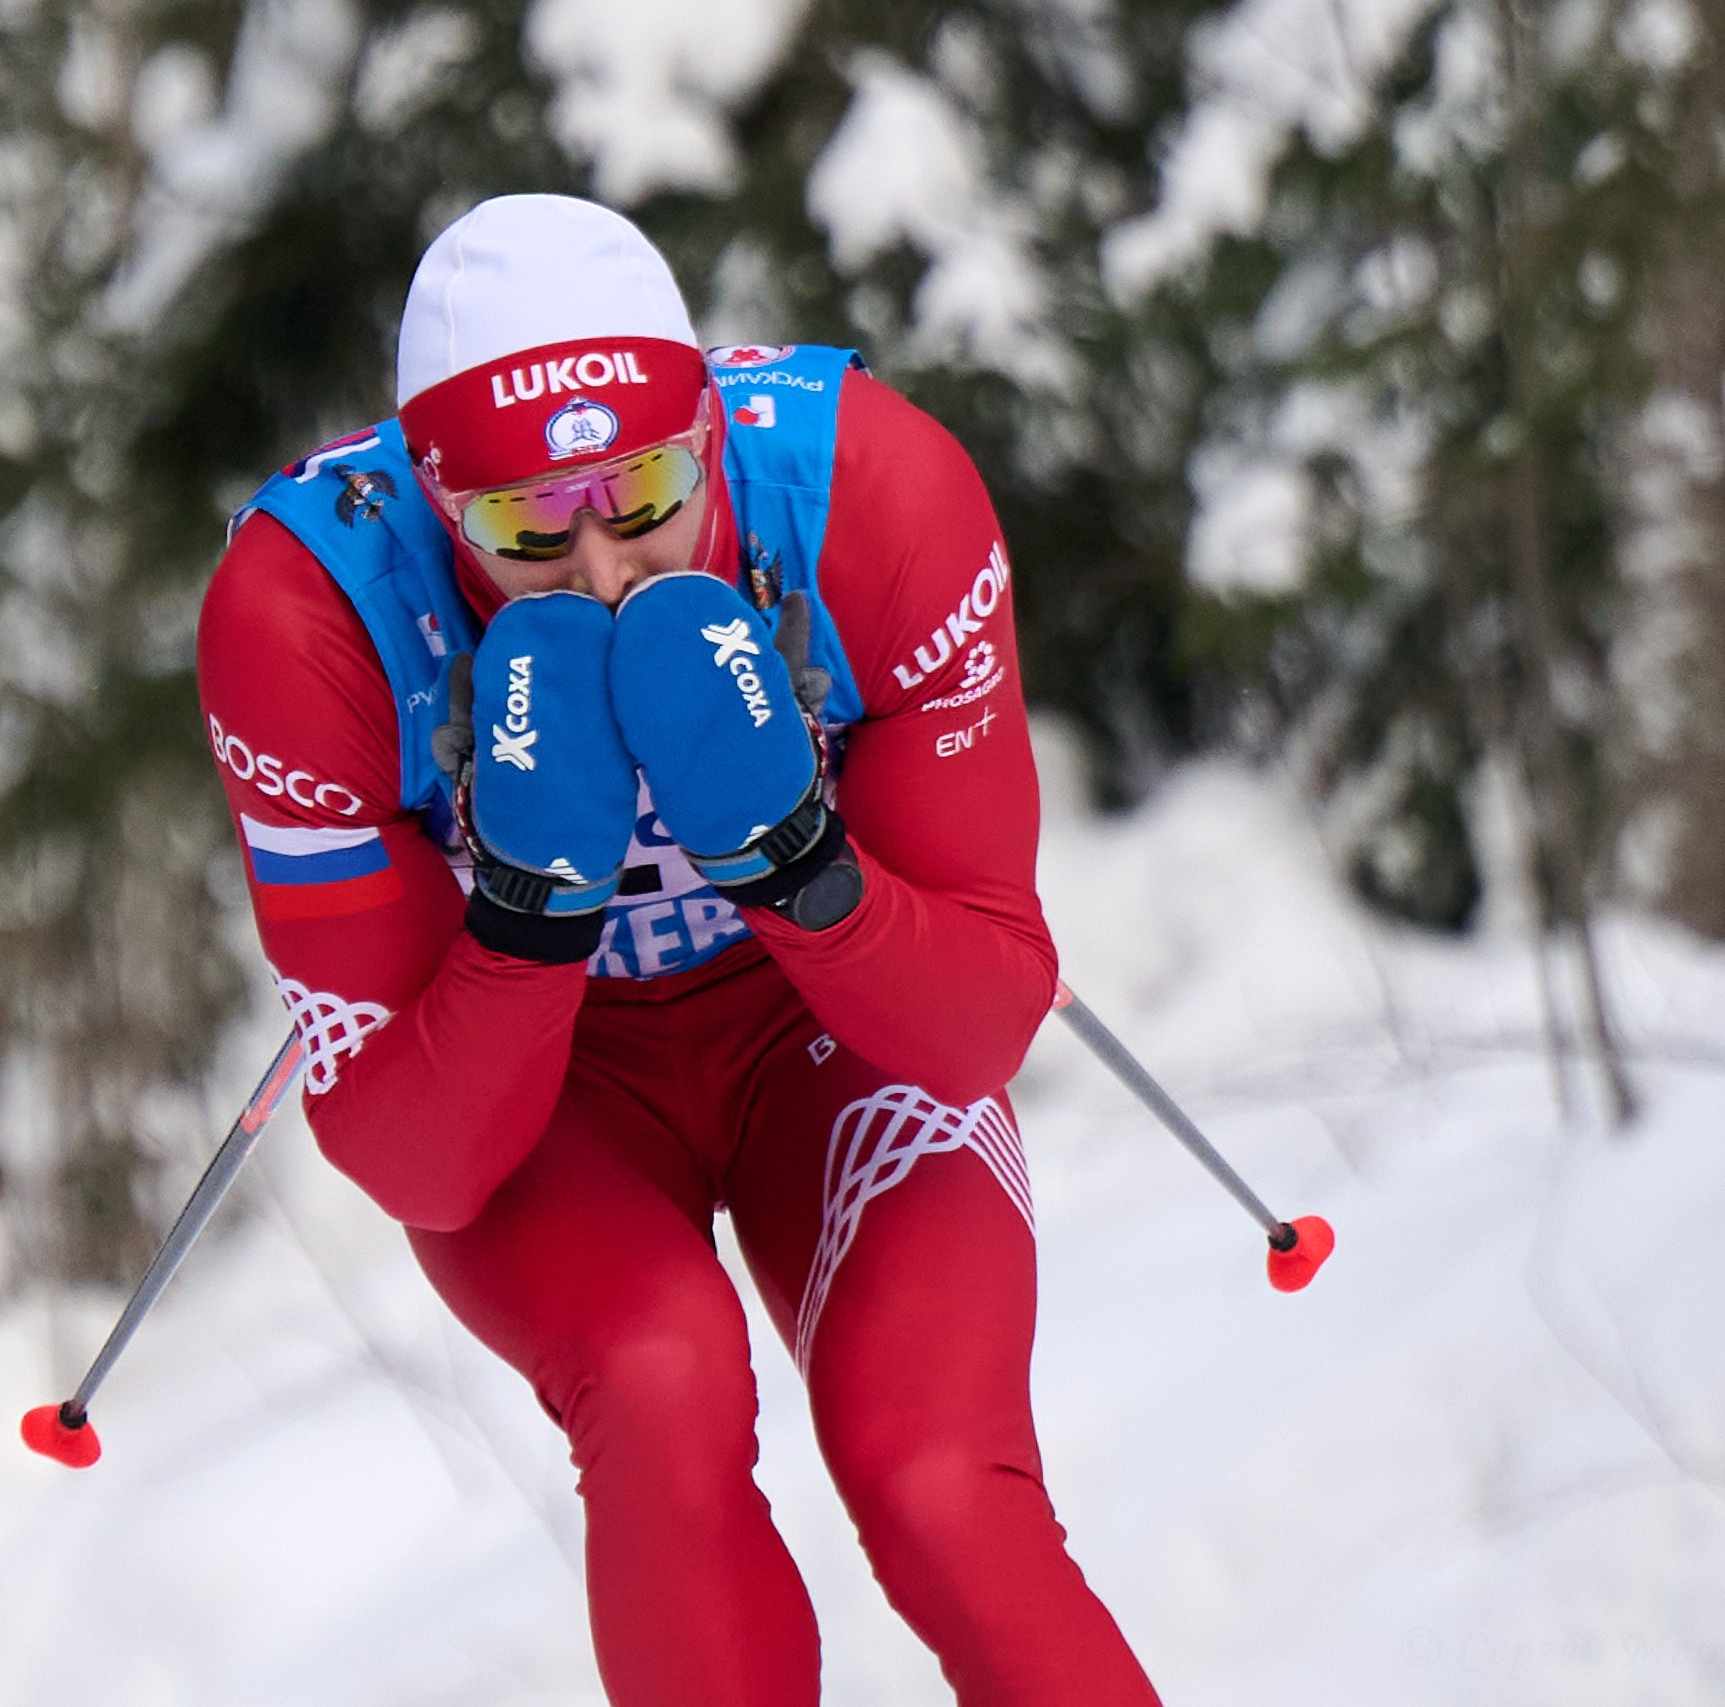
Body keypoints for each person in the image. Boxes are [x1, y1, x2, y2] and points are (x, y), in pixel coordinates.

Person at [196, 194, 1160, 1707]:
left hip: (826, 1038)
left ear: (709, 430)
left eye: (643, 491)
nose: (601, 566)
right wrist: (524, 913)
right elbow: (422, 1164)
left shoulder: (863, 490)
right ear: (439, 502)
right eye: (526, 525)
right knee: (658, 1391)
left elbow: (973, 1031)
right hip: (552, 1090)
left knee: (934, 1478)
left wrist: (797, 861)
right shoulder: (309, 610)